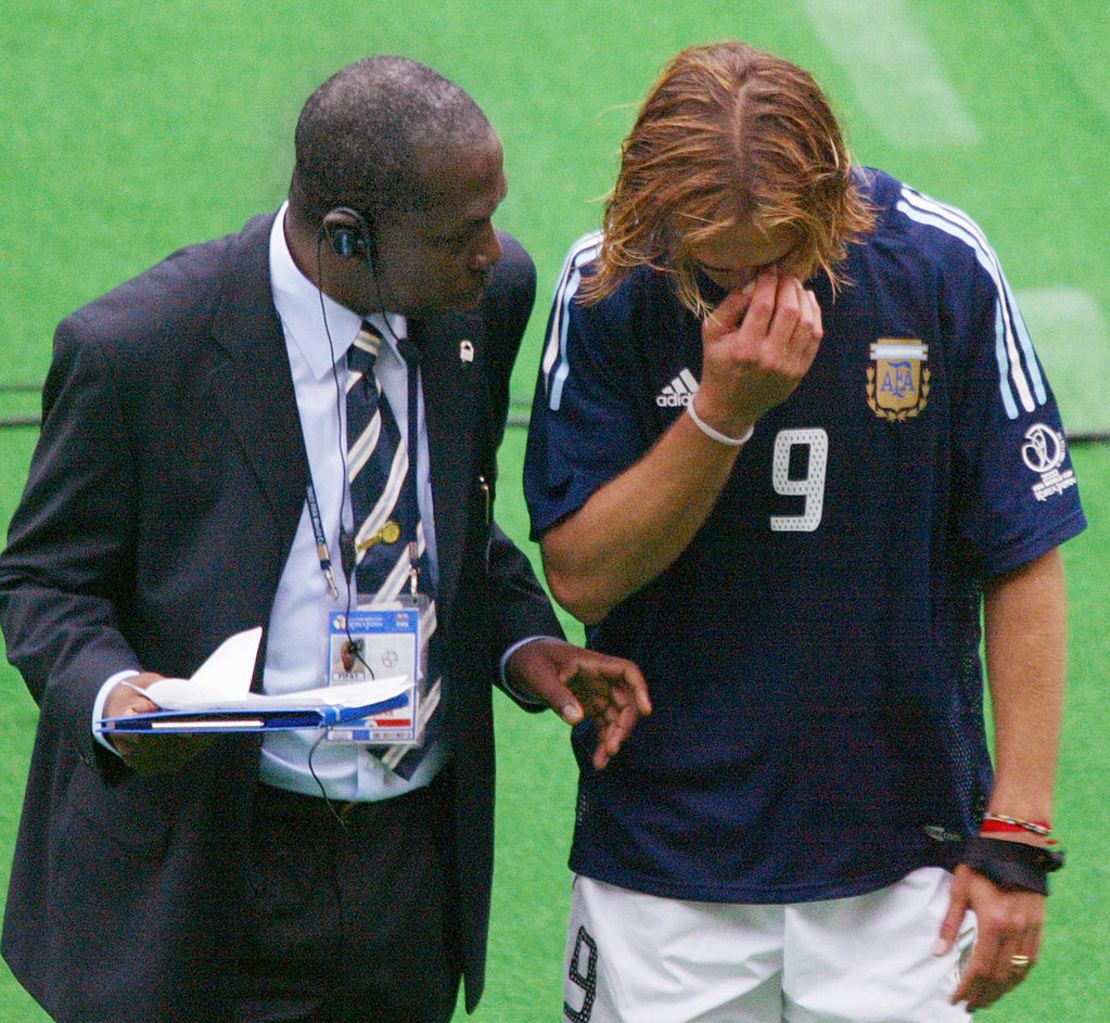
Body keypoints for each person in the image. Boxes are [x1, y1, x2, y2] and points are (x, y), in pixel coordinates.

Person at [0, 56, 650, 1023]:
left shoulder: (479, 301)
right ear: (347, 236)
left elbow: (454, 518)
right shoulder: (139, 349)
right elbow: (44, 582)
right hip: (214, 867)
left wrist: (523, 642)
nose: (492, 252)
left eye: (490, 218)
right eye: (458, 235)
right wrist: (118, 694)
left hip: (407, 870)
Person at [524, 40, 1083, 1022]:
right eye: (712, 268)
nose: (746, 290)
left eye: (778, 256)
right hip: (666, 863)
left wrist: (1018, 834)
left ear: (831, 203)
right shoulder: (605, 285)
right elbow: (580, 574)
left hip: (903, 866)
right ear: (651, 211)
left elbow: (1022, 552)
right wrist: (720, 415)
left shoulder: (941, 266)